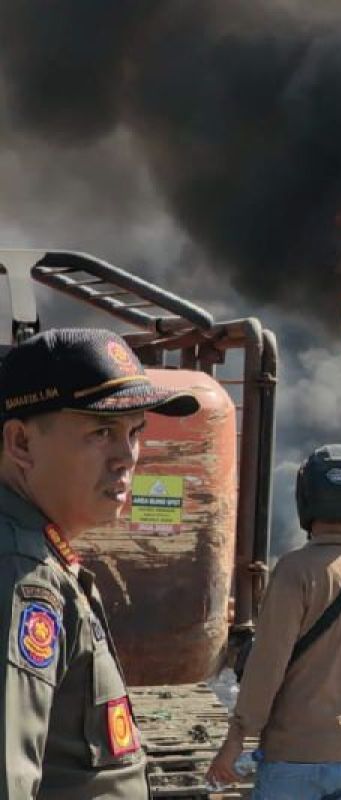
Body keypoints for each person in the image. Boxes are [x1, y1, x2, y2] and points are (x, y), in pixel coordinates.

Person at [0, 328, 199, 798]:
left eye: (134, 432)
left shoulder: (36, 552)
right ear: (20, 443)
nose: (126, 457)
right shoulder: (20, 571)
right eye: (101, 431)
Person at [206, 444, 341, 800]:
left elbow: (267, 665)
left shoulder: (293, 571)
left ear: (307, 498)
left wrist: (235, 739)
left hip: (296, 756)